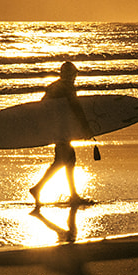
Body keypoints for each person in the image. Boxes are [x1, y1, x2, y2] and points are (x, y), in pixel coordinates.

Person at [29, 62, 93, 207]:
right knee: (68, 160)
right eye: (74, 74)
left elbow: (43, 106)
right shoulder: (67, 86)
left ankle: (38, 188)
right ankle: (72, 195)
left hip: (56, 129)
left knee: (62, 161)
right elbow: (75, 106)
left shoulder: (53, 86)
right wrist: (85, 127)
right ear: (70, 74)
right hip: (62, 130)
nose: (75, 77)